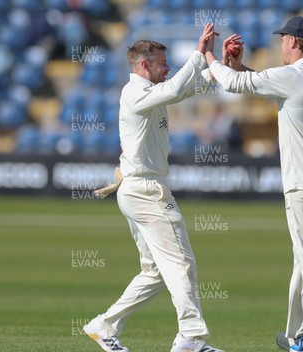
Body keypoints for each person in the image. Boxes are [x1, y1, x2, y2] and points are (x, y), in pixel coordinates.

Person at [204, 17, 303, 352]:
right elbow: (264, 83)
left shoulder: (293, 77)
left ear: (295, 42)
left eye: (283, 38)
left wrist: (211, 58)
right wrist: (239, 66)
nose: (281, 43)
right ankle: (296, 336)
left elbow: (237, 86)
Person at [84, 24, 223, 352]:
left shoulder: (151, 92)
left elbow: (187, 89)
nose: (168, 67)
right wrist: (199, 52)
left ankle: (104, 326)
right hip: (146, 190)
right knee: (181, 262)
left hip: (140, 190)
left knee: (156, 272)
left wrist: (220, 67)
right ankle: (190, 336)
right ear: (144, 65)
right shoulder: (135, 93)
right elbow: (176, 89)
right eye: (162, 63)